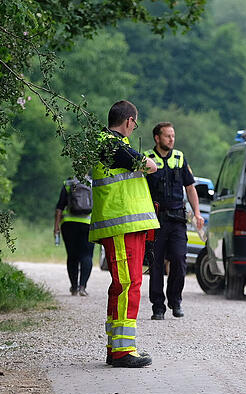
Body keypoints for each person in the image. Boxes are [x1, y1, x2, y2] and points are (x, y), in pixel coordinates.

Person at [90, 100, 158, 368]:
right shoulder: (110, 143)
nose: (134, 128)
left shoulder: (113, 144)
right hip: (121, 225)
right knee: (128, 285)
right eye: (135, 124)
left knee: (124, 285)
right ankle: (122, 351)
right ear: (129, 121)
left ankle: (117, 347)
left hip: (126, 225)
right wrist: (148, 161)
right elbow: (148, 166)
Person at [144, 122, 204, 319]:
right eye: (167, 136)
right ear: (157, 138)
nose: (171, 139)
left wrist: (197, 213)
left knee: (179, 259)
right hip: (155, 220)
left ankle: (175, 300)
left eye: (173, 136)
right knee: (156, 264)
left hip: (177, 218)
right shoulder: (147, 159)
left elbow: (190, 187)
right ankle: (158, 307)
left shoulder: (179, 157)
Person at [54, 177, 95, 296]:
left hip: (69, 224)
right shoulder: (93, 183)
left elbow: (59, 207)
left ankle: (74, 287)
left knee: (72, 256)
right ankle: (82, 287)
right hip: (88, 224)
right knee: (87, 256)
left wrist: (56, 226)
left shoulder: (68, 183)